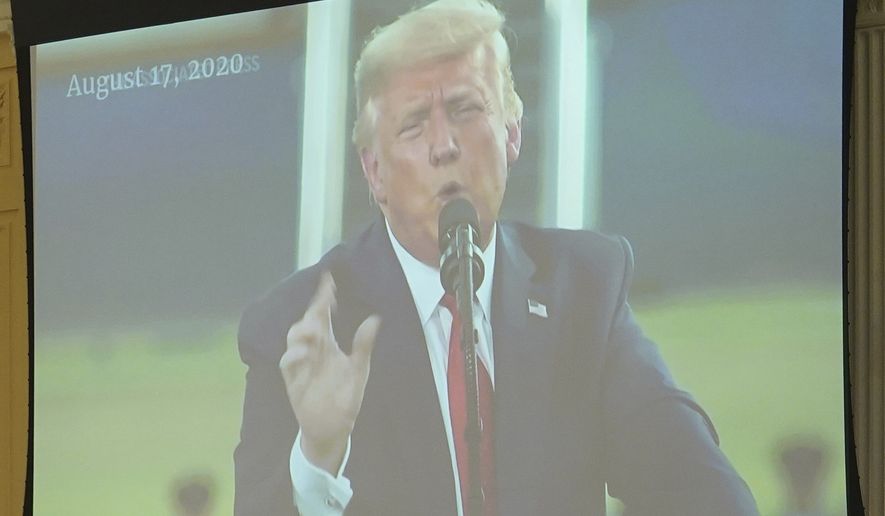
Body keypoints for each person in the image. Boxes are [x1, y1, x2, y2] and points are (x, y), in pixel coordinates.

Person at [234, 1, 759, 514]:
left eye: (465, 109)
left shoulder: (584, 288)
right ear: (374, 173)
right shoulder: (299, 330)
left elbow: (691, 480)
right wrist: (318, 460)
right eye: (414, 124)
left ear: (512, 133)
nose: (444, 145)